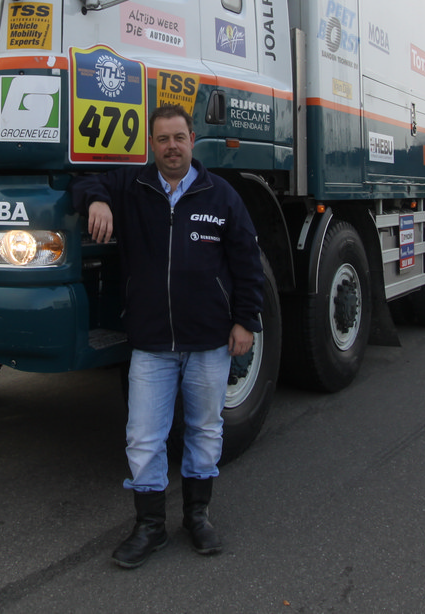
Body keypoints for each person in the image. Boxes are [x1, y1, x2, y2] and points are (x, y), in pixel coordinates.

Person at [72, 104, 264, 568]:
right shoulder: (132, 187)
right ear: (151, 145)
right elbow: (85, 180)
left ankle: (197, 517)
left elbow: (247, 261)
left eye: (179, 138)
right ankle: (150, 526)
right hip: (152, 343)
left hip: (209, 341)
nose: (172, 147)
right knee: (143, 436)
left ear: (192, 140)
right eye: (163, 139)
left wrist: (246, 321)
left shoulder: (221, 196)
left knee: (205, 429)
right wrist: (97, 201)